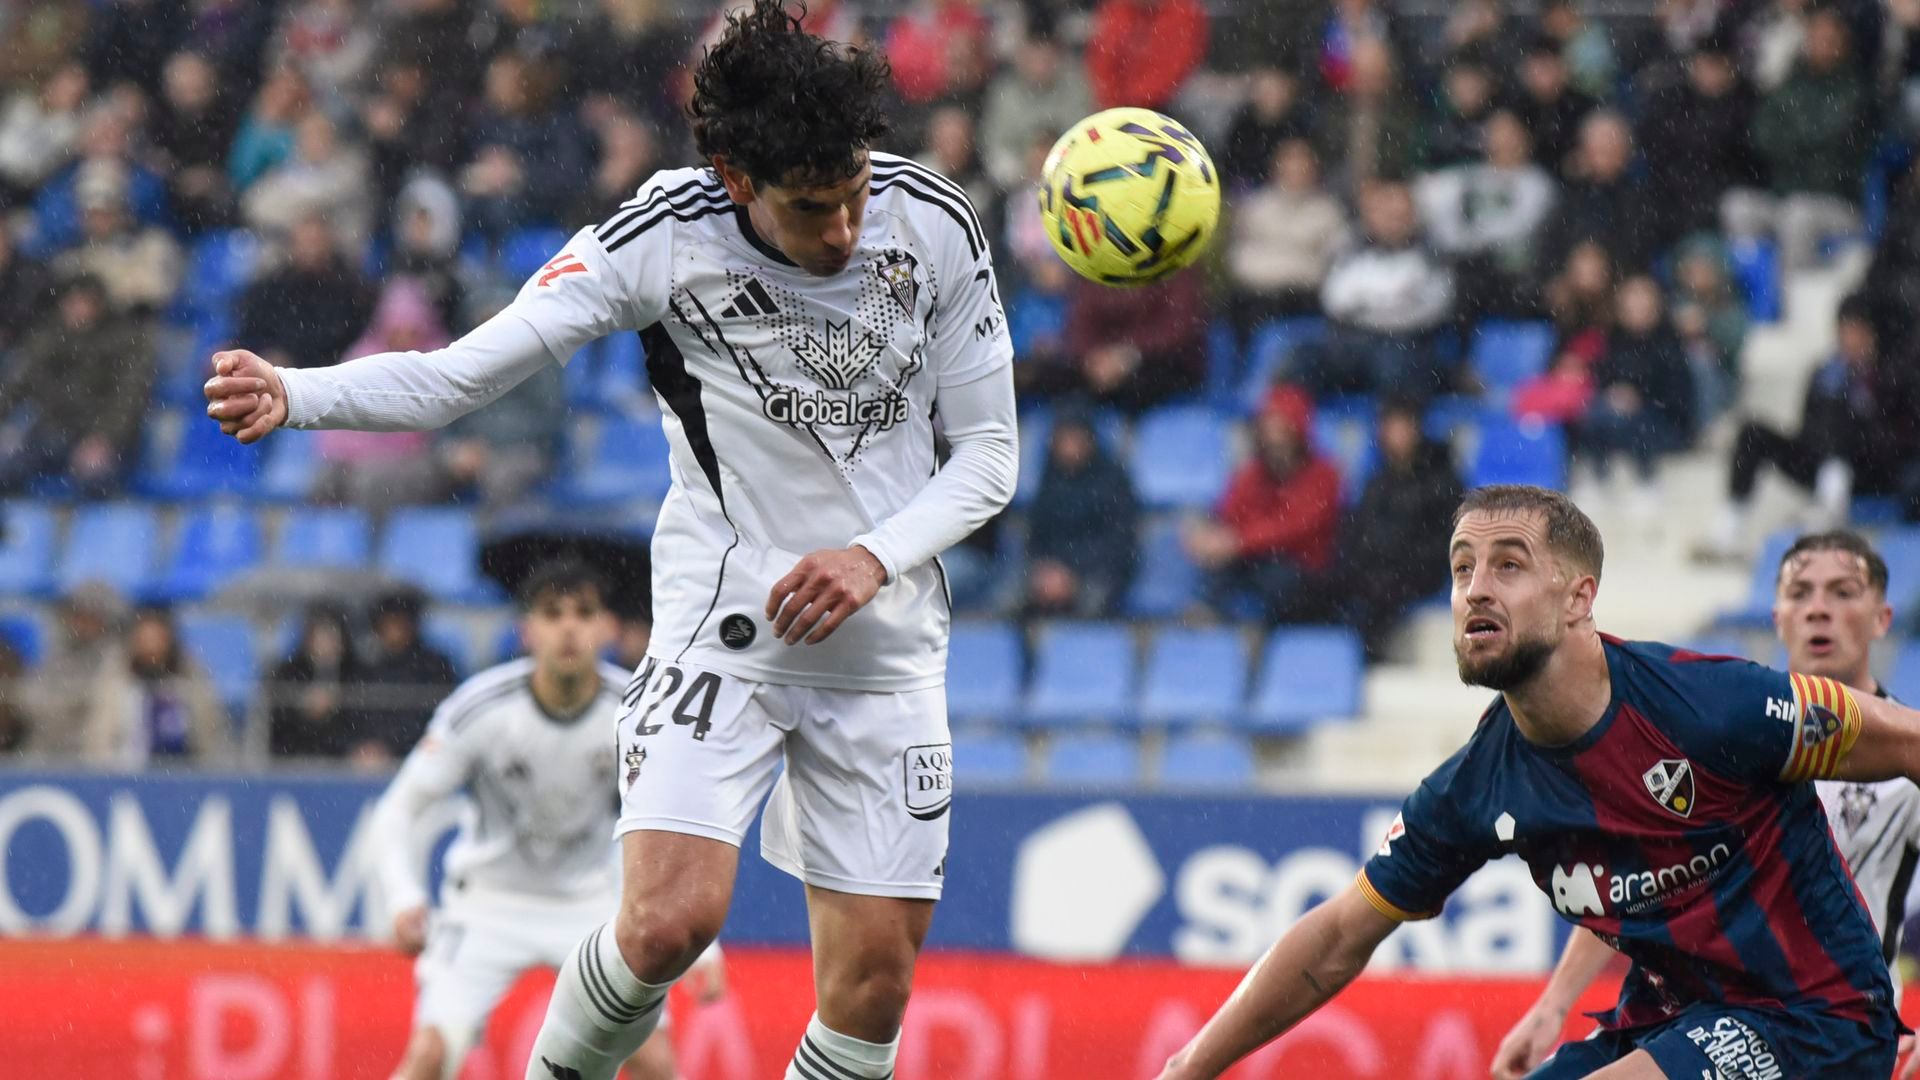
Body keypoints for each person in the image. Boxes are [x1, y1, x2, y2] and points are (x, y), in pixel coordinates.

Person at [204, 5, 1018, 1079]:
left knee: (871, 990)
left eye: (859, 193)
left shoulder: (933, 222)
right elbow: (461, 375)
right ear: (735, 177)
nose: (846, 231)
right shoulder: (662, 237)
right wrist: (297, 392)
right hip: (725, 629)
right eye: (815, 209)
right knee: (665, 926)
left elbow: (991, 457)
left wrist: (873, 556)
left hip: (886, 651)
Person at [1155, 484, 1920, 1080]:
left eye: (1508, 565)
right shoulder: (1475, 788)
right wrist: (1191, 1065)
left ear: (1579, 598)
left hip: (1816, 1020)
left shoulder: (1714, 706)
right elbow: (1336, 940)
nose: (1475, 590)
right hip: (1666, 1020)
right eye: (1461, 569)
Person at [1491, 529, 1920, 1080]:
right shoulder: (1723, 734)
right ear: (1776, 616)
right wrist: (1552, 1005)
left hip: (1824, 1031)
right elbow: (1634, 880)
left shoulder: (1906, 761)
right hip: (1696, 1017)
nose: (1819, 610)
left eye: (1842, 592)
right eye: (1800, 593)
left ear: (1883, 617)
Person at [372, 560, 726, 1080]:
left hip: (590, 905)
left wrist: (703, 943)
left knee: (654, 1062)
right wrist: (403, 897)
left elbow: (675, 824)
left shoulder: (637, 710)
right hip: (487, 905)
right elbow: (398, 809)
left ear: (608, 628)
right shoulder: (480, 709)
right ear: (526, 630)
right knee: (429, 1057)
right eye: (552, 613)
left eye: (584, 613)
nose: (568, 628)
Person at [1699, 295, 1920, 559]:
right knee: (1753, 432)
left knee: (1846, 415)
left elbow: (1902, 434)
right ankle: (1729, 526)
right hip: (1824, 460)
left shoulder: (1893, 374)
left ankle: (1832, 495)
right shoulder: (1826, 373)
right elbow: (1809, 427)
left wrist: (1862, 415)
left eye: (1857, 331)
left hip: (1875, 470)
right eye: (1845, 331)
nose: (1850, 339)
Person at [1184, 385, 1340, 623]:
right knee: (1220, 566)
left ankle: (1269, 637)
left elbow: (1294, 527)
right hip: (1255, 559)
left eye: (1282, 430)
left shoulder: (1324, 475)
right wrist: (1207, 536)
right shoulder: (1253, 472)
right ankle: (1204, 623)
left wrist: (1237, 542)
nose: (1274, 439)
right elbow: (1230, 512)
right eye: (1268, 429)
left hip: (1303, 570)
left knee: (1277, 578)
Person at [1024, 408, 1138, 619]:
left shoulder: (1113, 480)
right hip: (1051, 571)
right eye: (1063, 438)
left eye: (1075, 438)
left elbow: (1120, 543)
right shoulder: (1049, 478)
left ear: (1090, 440)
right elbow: (1035, 536)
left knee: (1092, 605)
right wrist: (1045, 569)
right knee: (1008, 596)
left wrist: (1071, 573)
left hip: (1098, 572)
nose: (1069, 446)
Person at [352, 587, 459, 765]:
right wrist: (363, 746)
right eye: (389, 622)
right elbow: (356, 719)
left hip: (423, 758)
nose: (395, 629)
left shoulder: (435, 665)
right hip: (369, 763)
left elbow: (439, 718)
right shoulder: (365, 667)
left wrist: (394, 747)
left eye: (400, 622)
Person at [268, 601, 365, 759]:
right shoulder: (288, 673)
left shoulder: (356, 674)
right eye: (320, 636)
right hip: (294, 757)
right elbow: (275, 722)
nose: (326, 643)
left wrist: (339, 703)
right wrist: (302, 707)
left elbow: (363, 723)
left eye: (332, 636)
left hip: (340, 759)